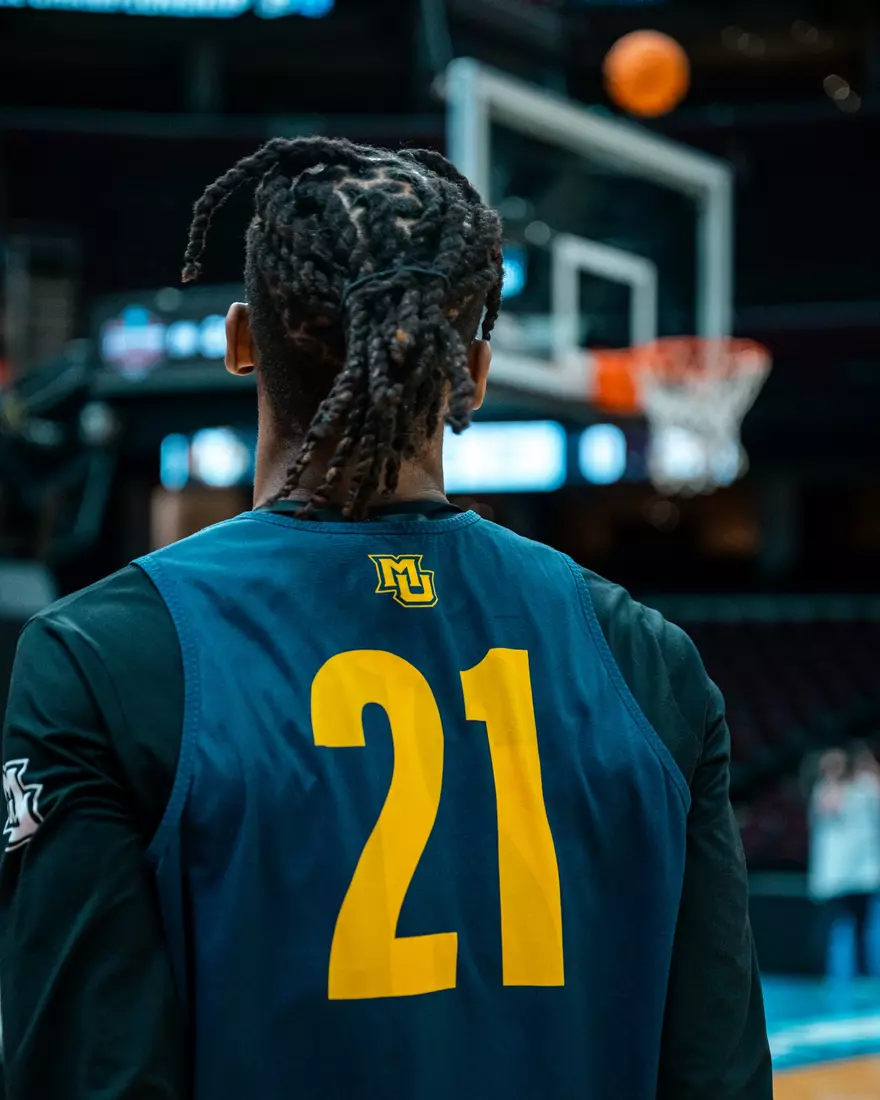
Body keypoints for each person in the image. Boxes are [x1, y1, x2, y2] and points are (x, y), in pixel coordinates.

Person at [0, 138, 772, 1100]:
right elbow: (719, 1077)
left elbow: (87, 1077)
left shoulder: (100, 658)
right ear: (473, 373)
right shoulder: (650, 660)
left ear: (241, 341)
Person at [808, 744, 880, 977]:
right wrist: (832, 780)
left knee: (862, 927)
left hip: (861, 872)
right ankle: (818, 973)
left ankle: (863, 974)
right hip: (834, 875)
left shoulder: (863, 789)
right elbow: (830, 807)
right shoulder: (823, 790)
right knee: (826, 926)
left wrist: (870, 767)